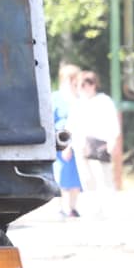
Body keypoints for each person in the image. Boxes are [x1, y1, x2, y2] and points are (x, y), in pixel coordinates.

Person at [74, 70, 123, 208]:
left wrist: (112, 140)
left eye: (88, 84)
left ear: (94, 85)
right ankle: (92, 208)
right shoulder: (78, 103)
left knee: (103, 178)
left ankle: (108, 208)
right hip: (81, 146)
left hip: (100, 145)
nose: (85, 88)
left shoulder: (104, 101)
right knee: (86, 179)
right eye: (82, 85)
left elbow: (113, 123)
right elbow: (72, 126)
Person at [51, 62, 83, 218]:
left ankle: (73, 208)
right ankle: (60, 207)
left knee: (76, 177)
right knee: (61, 175)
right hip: (60, 142)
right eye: (69, 79)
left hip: (78, 142)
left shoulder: (80, 98)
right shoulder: (55, 98)